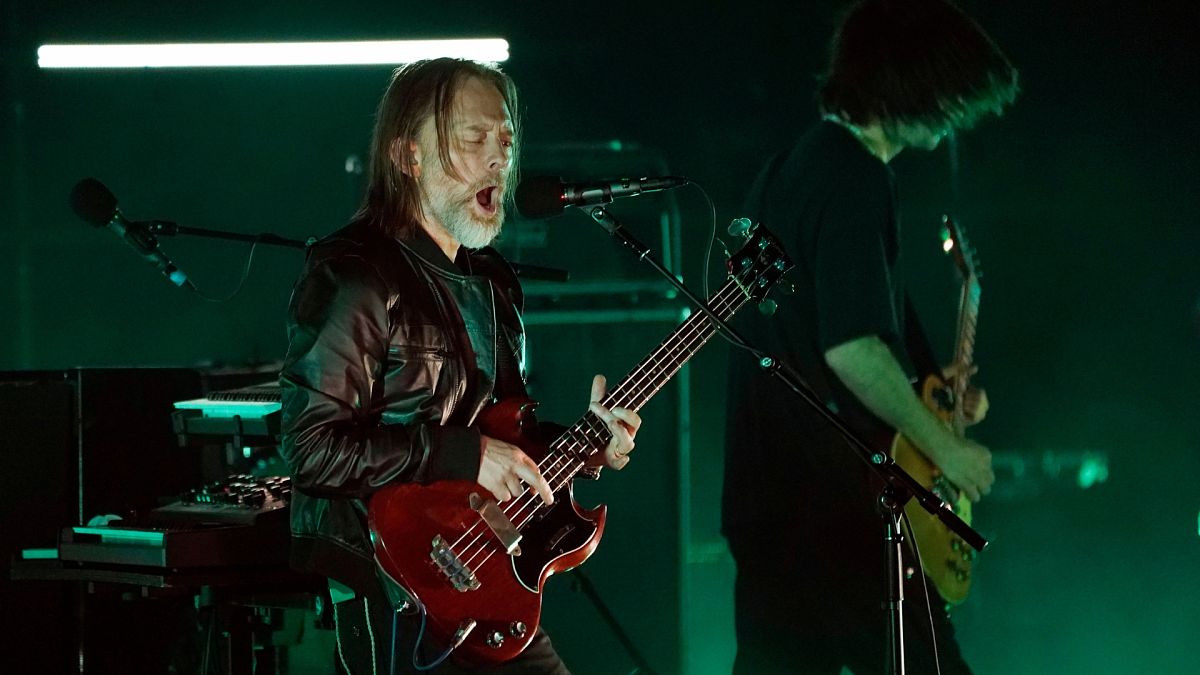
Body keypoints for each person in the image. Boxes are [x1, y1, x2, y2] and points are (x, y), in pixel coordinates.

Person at [279, 58, 641, 674]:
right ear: (408, 156)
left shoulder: (492, 279)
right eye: (474, 140)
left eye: (505, 140)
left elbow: (501, 432)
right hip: (391, 579)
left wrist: (582, 445)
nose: (499, 159)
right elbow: (312, 449)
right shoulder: (356, 273)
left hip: (484, 569)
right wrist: (463, 455)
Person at [721, 1, 1018, 673]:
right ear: (906, 81)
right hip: (837, 514)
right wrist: (945, 445)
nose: (952, 118)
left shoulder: (782, 172)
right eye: (946, 96)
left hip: (767, 504)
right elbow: (852, 349)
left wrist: (933, 396)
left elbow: (816, 337)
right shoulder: (855, 176)